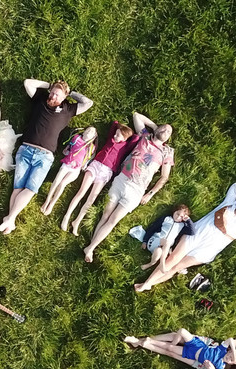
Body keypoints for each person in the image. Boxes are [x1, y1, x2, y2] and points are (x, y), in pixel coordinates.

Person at [0, 79, 93, 234]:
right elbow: (28, 83)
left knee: (31, 189)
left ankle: (10, 218)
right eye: (53, 93)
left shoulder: (68, 109)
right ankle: (10, 221)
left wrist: (71, 93)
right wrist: (49, 86)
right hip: (26, 149)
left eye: (58, 95)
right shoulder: (40, 100)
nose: (54, 96)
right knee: (18, 187)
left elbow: (88, 103)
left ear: (63, 98)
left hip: (45, 156)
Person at [134, 182, 236, 292]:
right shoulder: (229, 203)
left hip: (207, 249)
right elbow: (235, 186)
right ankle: (147, 283)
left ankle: (148, 284)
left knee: (176, 268)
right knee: (172, 258)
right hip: (196, 234)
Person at [82, 112, 175, 262]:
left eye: (169, 132)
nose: (166, 131)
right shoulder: (145, 136)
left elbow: (164, 177)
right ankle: (90, 248)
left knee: (113, 220)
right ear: (157, 129)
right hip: (121, 180)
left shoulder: (167, 152)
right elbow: (137, 116)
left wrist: (150, 194)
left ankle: (90, 248)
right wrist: (154, 126)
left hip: (137, 191)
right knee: (106, 215)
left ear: (169, 138)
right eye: (164, 128)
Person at [60, 120, 137, 236]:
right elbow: (114, 124)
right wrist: (119, 126)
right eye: (115, 134)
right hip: (96, 165)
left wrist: (126, 132)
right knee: (81, 192)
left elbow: (135, 138)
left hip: (106, 172)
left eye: (118, 135)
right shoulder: (111, 138)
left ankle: (77, 221)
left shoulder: (125, 147)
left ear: (125, 138)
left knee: (91, 198)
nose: (115, 136)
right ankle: (66, 217)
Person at [39, 127, 97, 216]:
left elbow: (88, 158)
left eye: (92, 132)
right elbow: (68, 148)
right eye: (88, 130)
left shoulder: (91, 147)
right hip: (67, 164)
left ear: (93, 137)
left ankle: (52, 204)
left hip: (76, 170)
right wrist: (66, 151)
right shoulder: (76, 138)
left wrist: (84, 165)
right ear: (84, 132)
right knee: (56, 181)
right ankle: (47, 200)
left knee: (62, 184)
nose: (89, 133)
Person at [138, 205, 193, 270]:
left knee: (158, 251)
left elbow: (192, 232)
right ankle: (162, 263)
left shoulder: (182, 226)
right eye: (177, 214)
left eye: (181, 216)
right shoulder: (166, 219)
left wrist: (188, 220)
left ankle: (150, 264)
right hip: (154, 241)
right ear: (174, 211)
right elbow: (152, 228)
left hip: (163, 249)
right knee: (167, 242)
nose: (178, 217)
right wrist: (145, 240)